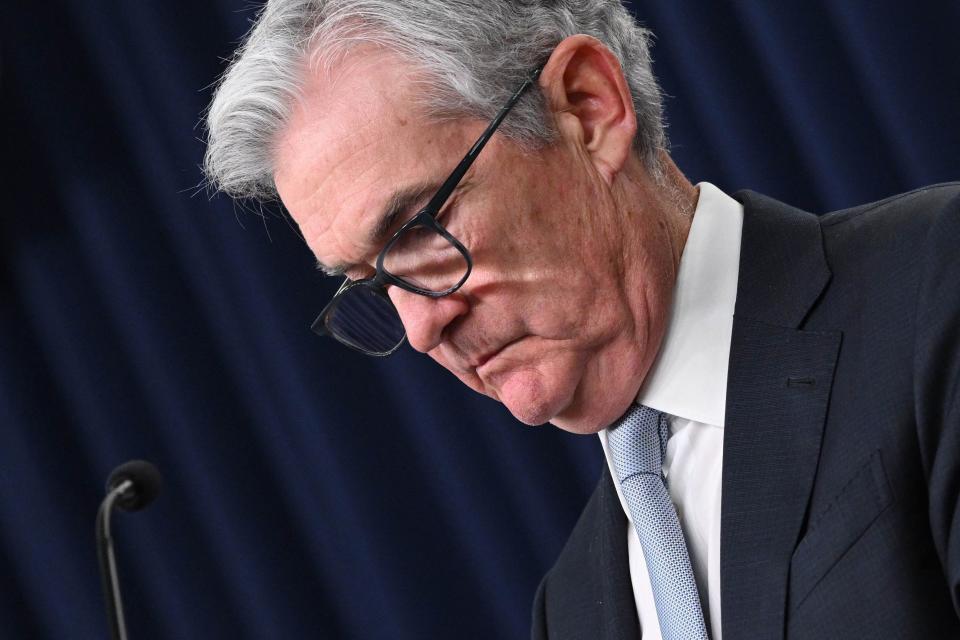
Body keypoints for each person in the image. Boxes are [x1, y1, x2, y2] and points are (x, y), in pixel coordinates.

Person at [203, 1, 960, 637]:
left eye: (418, 232)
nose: (424, 328)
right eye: (371, 284)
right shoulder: (569, 611)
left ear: (589, 109)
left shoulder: (935, 288)